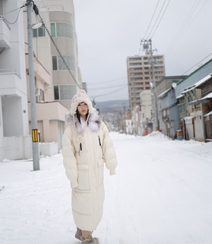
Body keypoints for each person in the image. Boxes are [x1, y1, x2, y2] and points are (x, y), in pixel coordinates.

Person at [62, 90, 117, 244]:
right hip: (82, 177)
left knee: (95, 206)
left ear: (89, 106)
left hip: (97, 175)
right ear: (75, 108)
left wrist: (111, 165)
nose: (83, 106)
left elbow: (108, 145)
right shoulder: (70, 130)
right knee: (85, 207)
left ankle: (83, 232)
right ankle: (87, 239)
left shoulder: (99, 125)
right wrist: (73, 178)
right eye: (80, 104)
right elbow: (68, 156)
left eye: (85, 103)